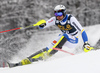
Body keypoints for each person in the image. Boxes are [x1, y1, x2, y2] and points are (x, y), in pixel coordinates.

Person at [8, 5, 94, 68]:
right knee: (48, 47)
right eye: (56, 14)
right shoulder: (55, 19)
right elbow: (44, 25)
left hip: (73, 40)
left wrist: (86, 43)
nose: (58, 16)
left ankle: (48, 55)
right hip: (63, 38)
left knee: (63, 35)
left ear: (64, 13)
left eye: (60, 14)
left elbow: (82, 31)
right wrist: (41, 25)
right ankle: (26, 60)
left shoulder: (71, 19)